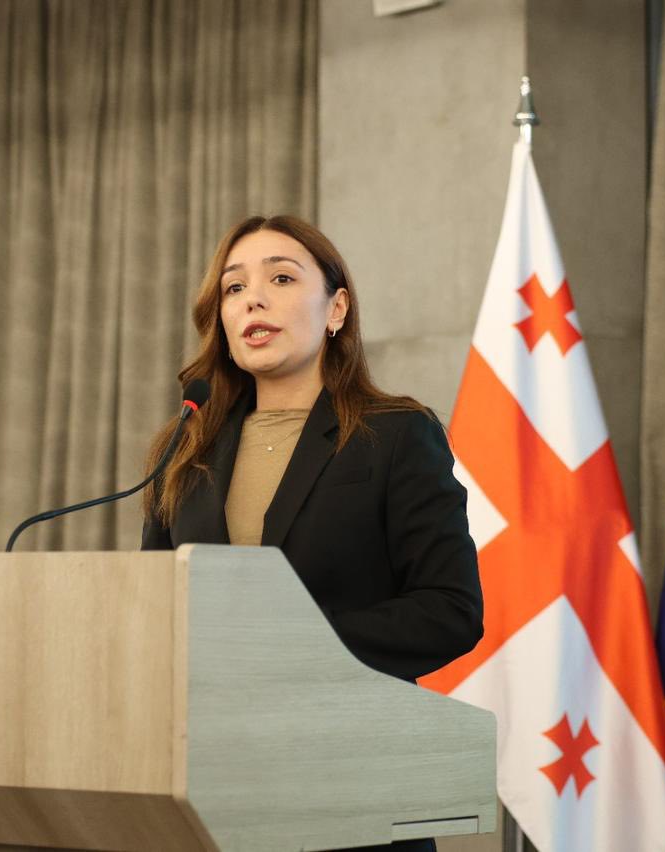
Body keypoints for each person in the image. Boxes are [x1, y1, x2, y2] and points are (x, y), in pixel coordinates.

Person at [140, 215, 483, 851]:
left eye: (281, 279)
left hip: (350, 785)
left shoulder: (395, 435)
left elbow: (449, 611)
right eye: (234, 288)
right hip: (210, 786)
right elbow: (155, 616)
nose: (254, 299)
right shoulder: (183, 452)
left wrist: (292, 646)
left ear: (337, 309)